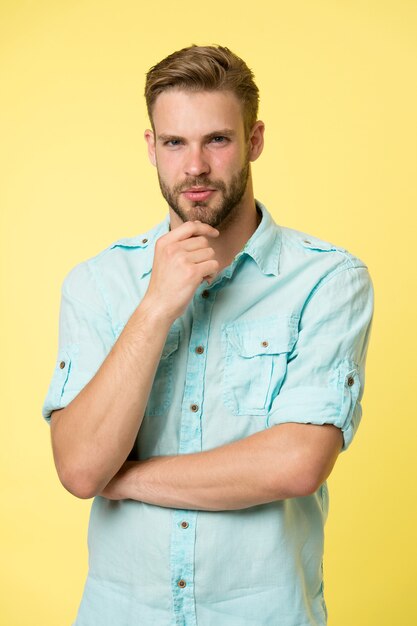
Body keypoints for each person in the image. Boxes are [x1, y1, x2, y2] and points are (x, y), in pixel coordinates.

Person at [42, 45, 374, 626]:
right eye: (175, 142)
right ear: (151, 147)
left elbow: (296, 463)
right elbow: (79, 467)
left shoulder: (327, 279)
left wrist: (126, 479)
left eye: (217, 139)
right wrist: (155, 307)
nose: (194, 165)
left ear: (255, 141)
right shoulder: (97, 284)